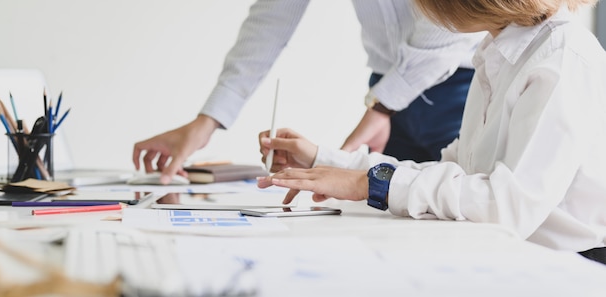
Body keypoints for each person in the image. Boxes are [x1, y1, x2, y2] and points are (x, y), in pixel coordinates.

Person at [256, 0, 606, 265]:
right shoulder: (499, 54)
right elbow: (454, 173)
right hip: (518, 256)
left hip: (571, 266)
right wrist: (326, 160)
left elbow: (507, 207)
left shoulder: (562, 59)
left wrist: (370, 183)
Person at [132, 0, 484, 184]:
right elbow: (270, 22)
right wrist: (208, 121)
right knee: (397, 220)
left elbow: (449, 26)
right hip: (386, 93)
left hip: (461, 87)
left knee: (466, 214)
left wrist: (382, 106)